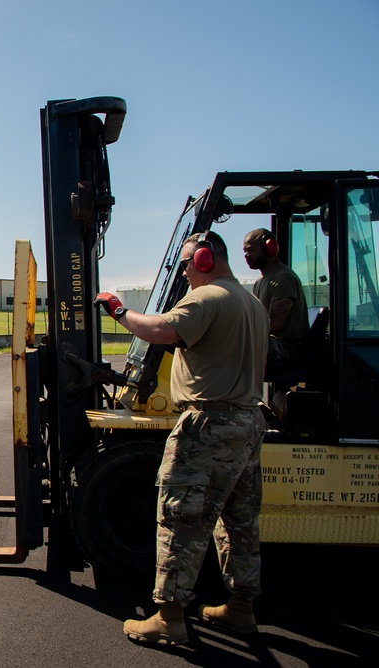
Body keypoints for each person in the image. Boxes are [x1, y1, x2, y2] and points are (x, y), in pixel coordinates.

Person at [94, 230, 268, 647]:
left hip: (208, 425)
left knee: (180, 517)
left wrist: (117, 310)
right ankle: (241, 606)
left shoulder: (207, 298)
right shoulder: (253, 304)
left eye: (187, 264)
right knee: (238, 519)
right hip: (246, 423)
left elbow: (160, 330)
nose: (185, 272)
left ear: (205, 260)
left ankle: (169, 616)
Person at [242, 228, 309, 362]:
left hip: (287, 346)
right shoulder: (260, 281)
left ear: (270, 248)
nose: (246, 255)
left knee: (232, 347)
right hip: (272, 341)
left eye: (251, 250)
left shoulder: (282, 278)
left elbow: (275, 324)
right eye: (245, 251)